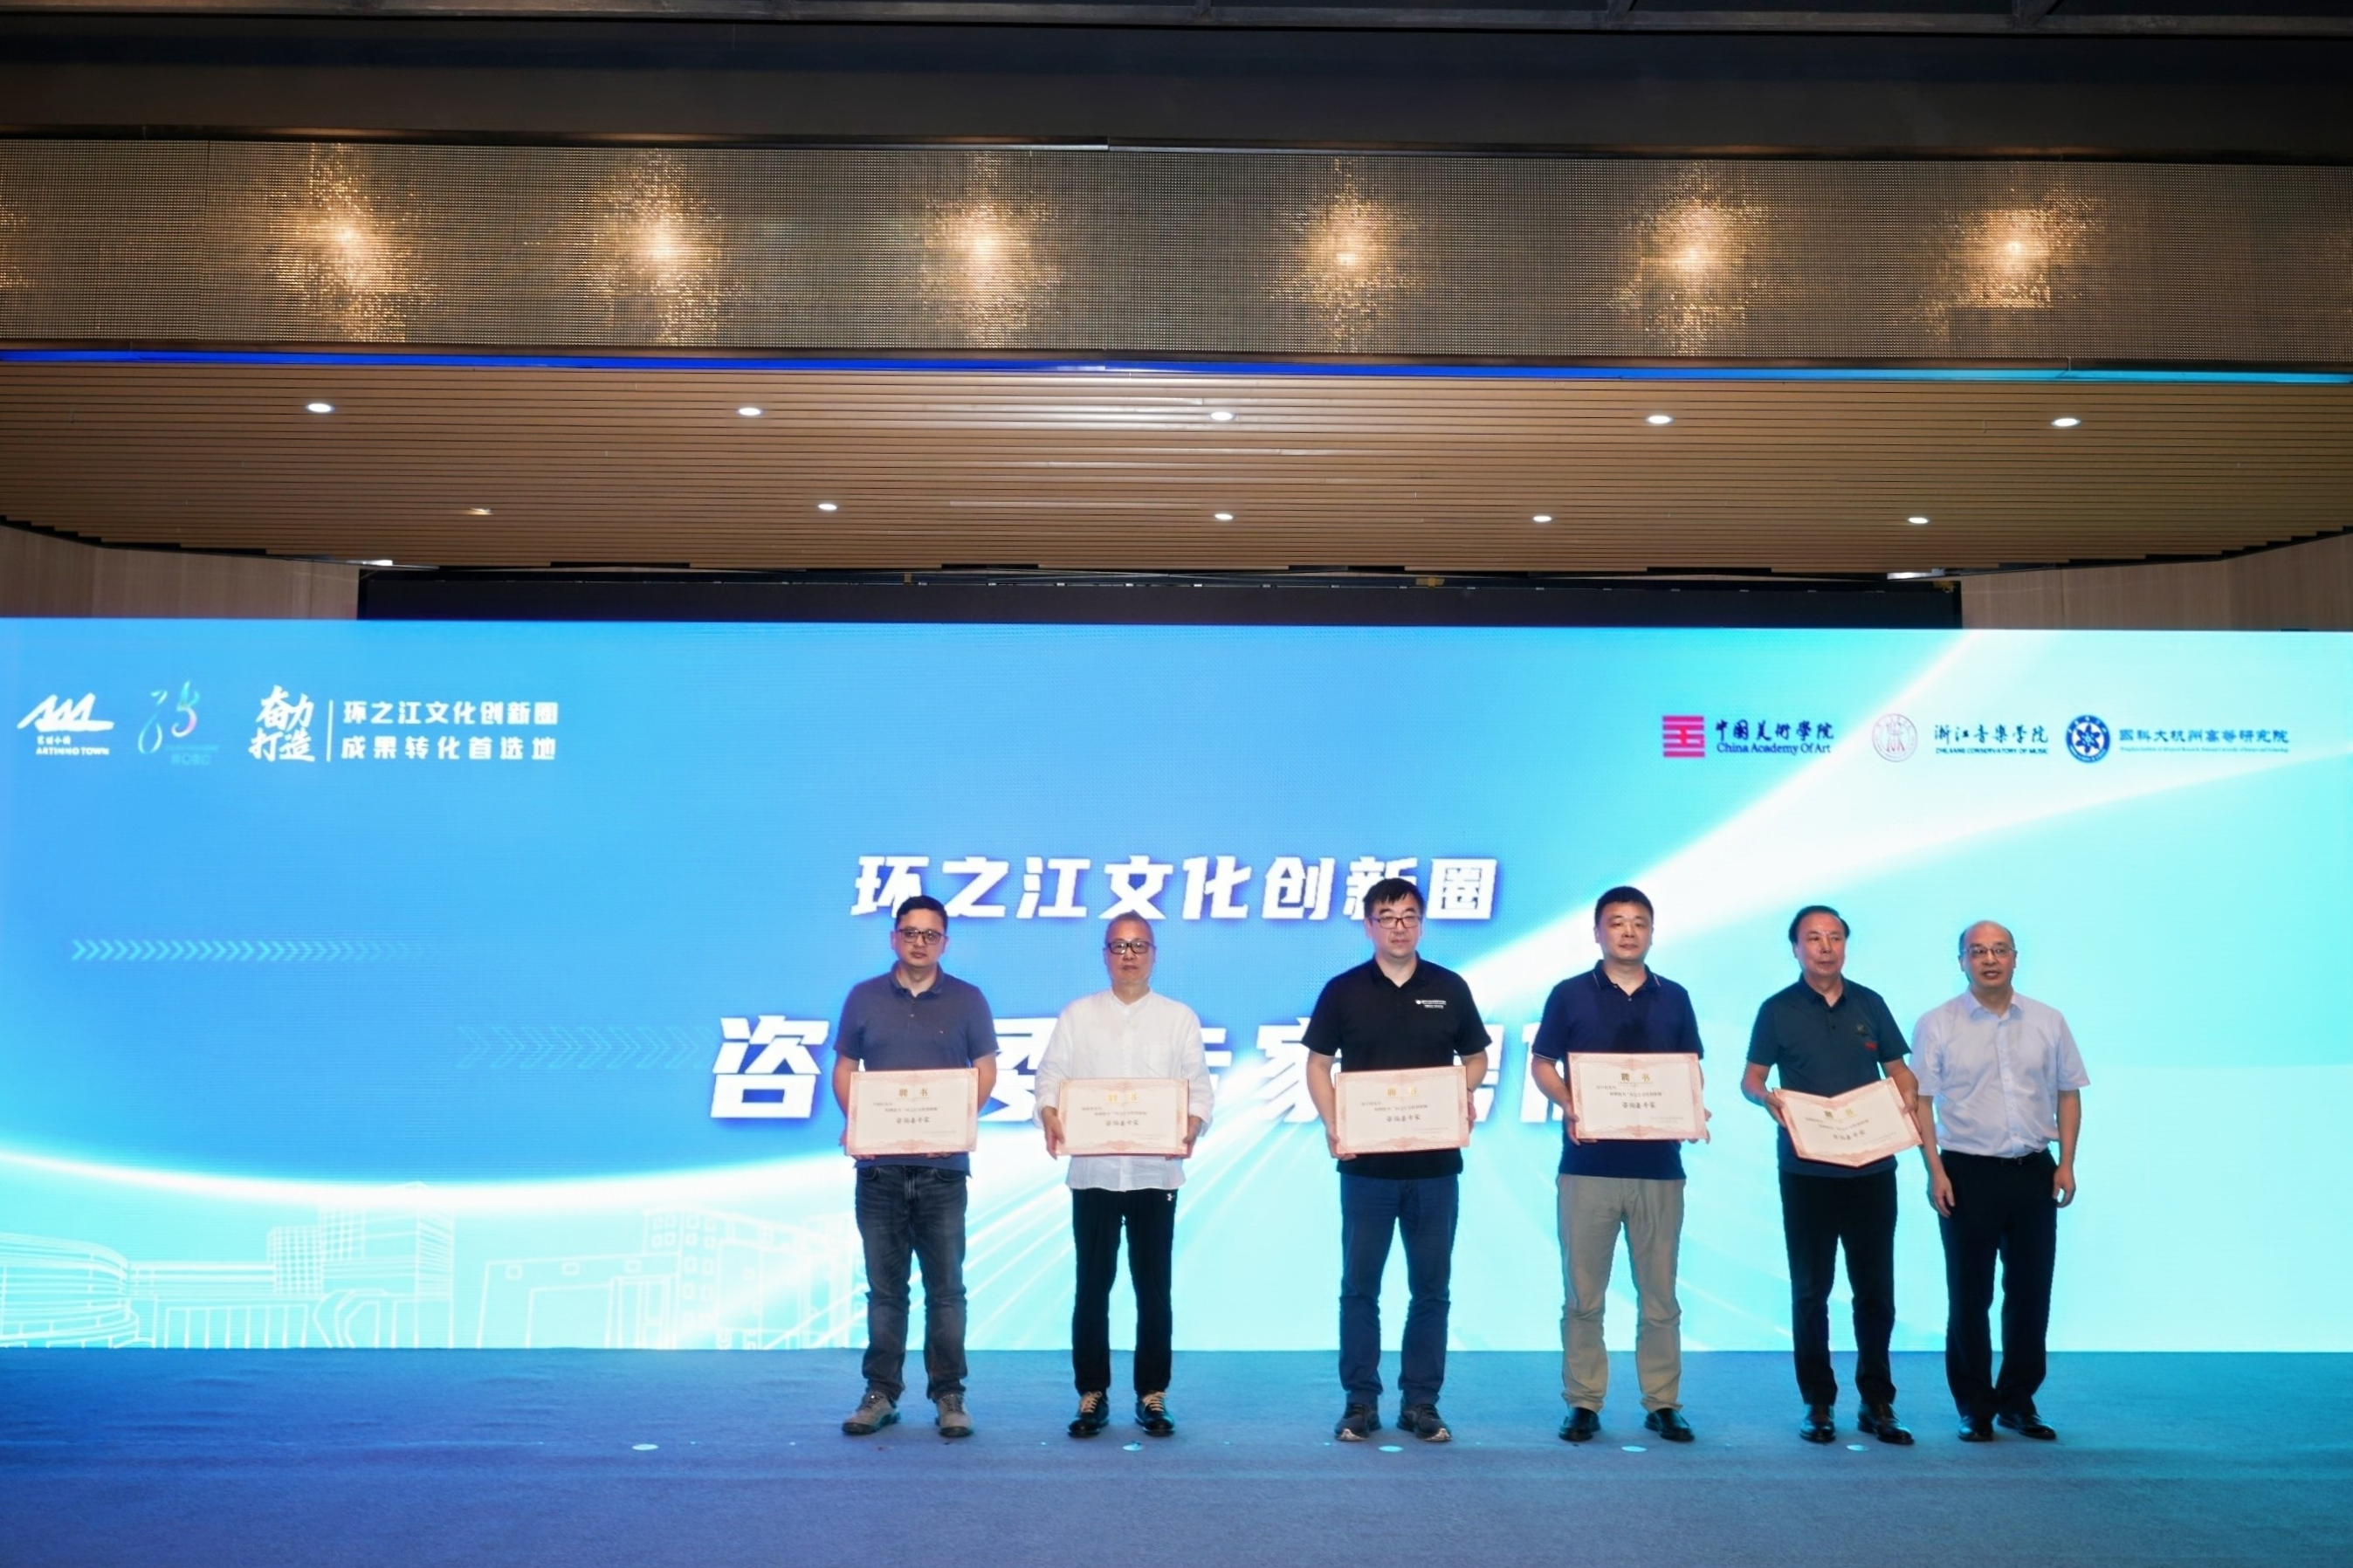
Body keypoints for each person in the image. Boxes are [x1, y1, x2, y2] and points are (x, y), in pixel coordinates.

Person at [1303, 876, 1491, 1445]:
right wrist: (1334, 1123)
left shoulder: (1449, 987)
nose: (1398, 927)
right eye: (1386, 917)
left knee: (1431, 1289)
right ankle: (1360, 1401)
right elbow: (1317, 1065)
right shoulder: (1343, 991)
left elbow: (1476, 1057)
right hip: (1366, 1169)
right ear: (1368, 926)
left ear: (1421, 923)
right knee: (1359, 1288)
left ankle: (1421, 1402)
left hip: (1435, 1170)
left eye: (1408, 916)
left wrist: (1461, 1093)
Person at [1742, 904, 1925, 1447]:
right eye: (1814, 938)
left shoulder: (1870, 1003)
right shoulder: (1776, 1010)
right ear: (1795, 948)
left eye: (1835, 937)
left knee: (1875, 1292)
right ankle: (1818, 1402)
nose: (1826, 947)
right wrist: (1766, 1099)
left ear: (1846, 944)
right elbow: (1751, 1079)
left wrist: (1907, 1099)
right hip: (1806, 1170)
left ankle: (1877, 1401)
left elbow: (1899, 1070)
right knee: (1810, 1291)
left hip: (1873, 1167)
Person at [1529, 885, 1703, 1445]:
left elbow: (1689, 1069)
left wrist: (1692, 1108)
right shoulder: (1569, 994)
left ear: (1652, 932)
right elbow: (1542, 1063)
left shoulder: (1674, 997)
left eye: (1639, 922)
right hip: (1587, 1166)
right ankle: (1583, 1401)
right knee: (1583, 1296)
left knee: (1661, 1298)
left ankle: (1663, 1403)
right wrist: (1571, 1104)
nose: (1628, 932)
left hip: (1660, 1168)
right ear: (1598, 932)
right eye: (1617, 922)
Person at [1033, 915, 1217, 1439]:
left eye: (1138, 945)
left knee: (1153, 1288)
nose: (1129, 955)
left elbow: (1199, 1087)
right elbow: (1051, 1076)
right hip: (1093, 1173)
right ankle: (1091, 1393)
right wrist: (1049, 1112)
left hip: (1155, 1173)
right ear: (1105, 954)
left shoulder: (1178, 1018)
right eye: (1118, 946)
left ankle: (1152, 1394)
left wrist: (1192, 1123)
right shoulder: (1078, 1015)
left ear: (1154, 953)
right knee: (1092, 1287)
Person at [1910, 921, 2088, 1443]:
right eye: (1977, 951)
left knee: (2031, 1292)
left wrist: (2066, 1163)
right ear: (1961, 961)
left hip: (2034, 1170)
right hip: (1967, 1172)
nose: (1990, 959)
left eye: (2000, 950)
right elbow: (1920, 1102)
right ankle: (1975, 1406)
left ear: (2015, 957)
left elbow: (2069, 1093)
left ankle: (2018, 1400)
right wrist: (1935, 1170)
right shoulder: (1937, 1023)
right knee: (1970, 1295)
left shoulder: (2049, 1020)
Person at [830, 894, 999, 1440]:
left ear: (945, 942)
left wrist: (953, 1126)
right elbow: (845, 1068)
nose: (919, 942)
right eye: (910, 932)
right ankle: (880, 1393)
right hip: (879, 1170)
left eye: (930, 934)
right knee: (885, 1291)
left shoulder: (969, 999)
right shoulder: (863, 997)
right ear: (894, 938)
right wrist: (858, 1123)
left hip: (943, 1171)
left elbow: (985, 1070)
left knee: (946, 1290)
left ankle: (950, 1395)